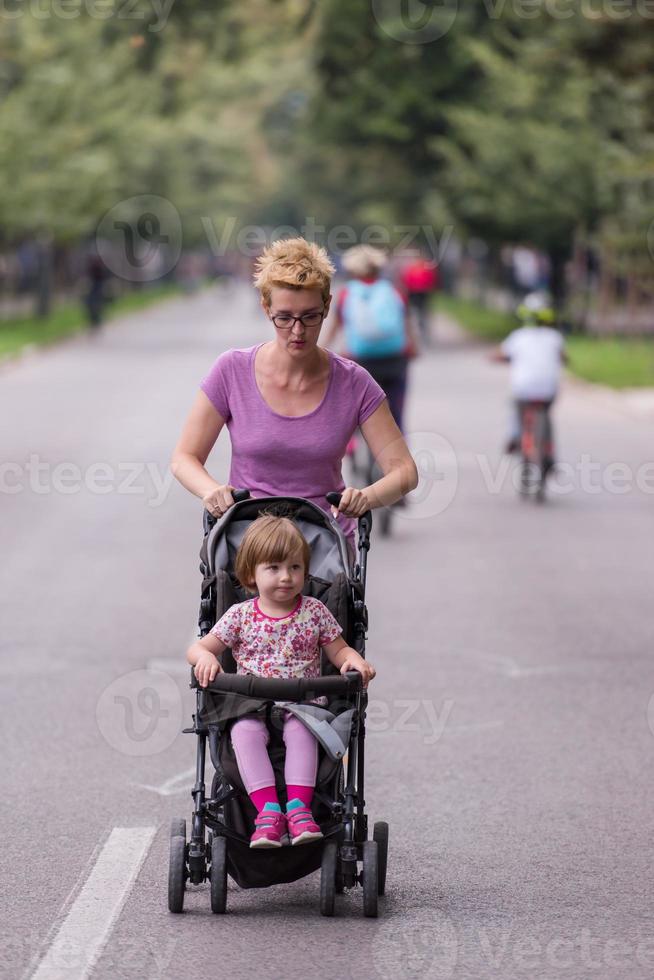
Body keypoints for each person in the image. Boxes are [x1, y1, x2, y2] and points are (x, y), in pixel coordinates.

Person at [170, 237, 418, 545]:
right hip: (250, 544)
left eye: (310, 316)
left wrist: (366, 497)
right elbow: (185, 457)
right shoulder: (232, 370)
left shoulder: (354, 382)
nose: (297, 331)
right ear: (266, 308)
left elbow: (404, 471)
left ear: (328, 306)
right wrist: (211, 490)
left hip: (325, 546)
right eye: (284, 318)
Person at [186, 514, 376, 849]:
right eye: (273, 568)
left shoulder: (315, 612)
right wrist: (204, 658)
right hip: (249, 703)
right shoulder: (240, 615)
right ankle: (268, 812)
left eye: (295, 567)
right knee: (244, 733)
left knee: (301, 732)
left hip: (302, 704)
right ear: (251, 574)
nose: (286, 577)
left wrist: (354, 661)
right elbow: (200, 647)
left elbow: (339, 650)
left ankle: (299, 809)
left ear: (306, 570)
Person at [322, 244, 416, 434]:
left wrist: (321, 350)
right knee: (395, 410)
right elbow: (407, 324)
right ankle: (396, 448)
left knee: (351, 408)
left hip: (359, 360)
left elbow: (336, 327)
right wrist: (413, 347)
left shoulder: (347, 292)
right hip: (394, 360)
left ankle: (351, 444)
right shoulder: (394, 291)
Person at [492, 292, 568, 470]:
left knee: (516, 409)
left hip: (523, 389)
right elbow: (563, 357)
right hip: (548, 390)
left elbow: (501, 354)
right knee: (547, 413)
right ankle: (549, 451)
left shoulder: (518, 336)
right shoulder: (555, 337)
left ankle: (515, 437)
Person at [399, 251, 440, 346]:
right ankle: (418, 331)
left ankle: (421, 330)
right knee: (418, 312)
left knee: (421, 312)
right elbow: (407, 280)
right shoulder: (415, 269)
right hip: (416, 292)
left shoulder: (420, 269)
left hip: (421, 292)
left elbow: (431, 280)